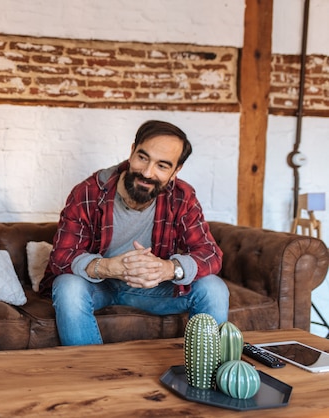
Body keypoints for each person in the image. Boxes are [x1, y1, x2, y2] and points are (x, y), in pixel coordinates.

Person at [39, 120, 229, 346]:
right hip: (100, 286)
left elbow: (210, 254)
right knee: (67, 286)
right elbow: (61, 257)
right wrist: (110, 267)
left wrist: (168, 269)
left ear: (176, 171)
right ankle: (90, 375)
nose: (147, 172)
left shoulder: (182, 196)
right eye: (143, 157)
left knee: (214, 288)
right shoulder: (89, 191)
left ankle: (205, 374)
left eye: (162, 166)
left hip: (152, 290)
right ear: (131, 152)